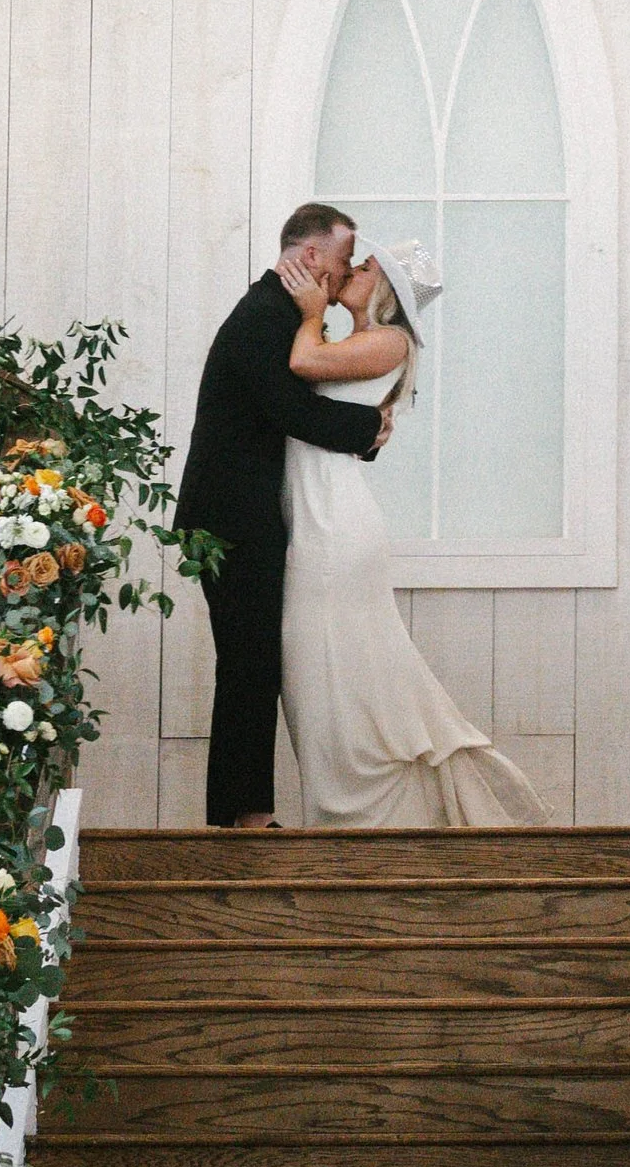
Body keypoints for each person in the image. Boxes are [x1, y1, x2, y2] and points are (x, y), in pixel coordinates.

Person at [272, 234, 548, 827]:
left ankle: (364, 815)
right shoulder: (355, 339)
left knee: (329, 663)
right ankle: (342, 807)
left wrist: (312, 314)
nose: (352, 267)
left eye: (365, 266)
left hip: (336, 523)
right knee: (317, 670)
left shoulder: (389, 341)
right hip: (316, 512)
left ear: (388, 291)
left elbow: (302, 365)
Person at [178, 203, 391, 828]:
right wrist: (370, 427)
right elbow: (289, 410)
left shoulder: (276, 313)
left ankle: (244, 811)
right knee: (249, 659)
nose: (345, 270)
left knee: (254, 659)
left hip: (239, 513)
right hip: (227, 518)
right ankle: (246, 818)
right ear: (311, 258)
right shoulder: (265, 317)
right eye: (342, 259)